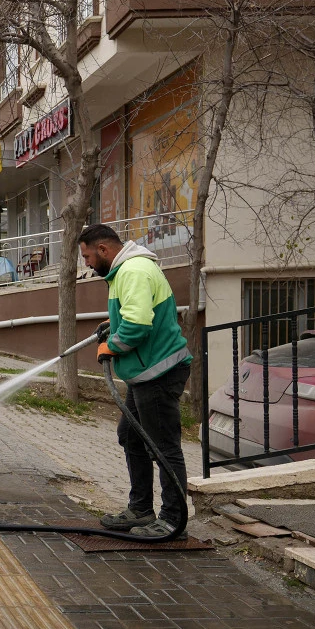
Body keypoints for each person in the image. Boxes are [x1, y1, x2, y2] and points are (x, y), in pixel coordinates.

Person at [78, 224, 192, 538]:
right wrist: (113, 323)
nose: (87, 264)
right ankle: (141, 509)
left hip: (159, 372)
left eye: (87, 257)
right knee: (131, 436)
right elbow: (135, 313)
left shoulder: (134, 271)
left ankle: (173, 521)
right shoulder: (126, 271)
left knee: (163, 447)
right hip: (146, 372)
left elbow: (138, 325)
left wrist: (111, 346)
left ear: (103, 249)